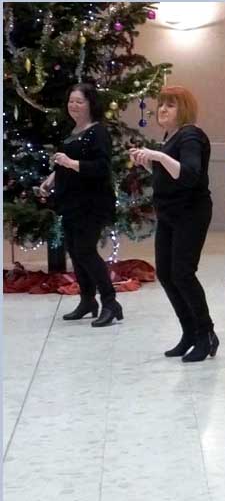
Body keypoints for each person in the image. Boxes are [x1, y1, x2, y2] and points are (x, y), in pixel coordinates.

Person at [129, 86, 217, 361]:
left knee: (183, 273)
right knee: (166, 274)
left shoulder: (191, 135)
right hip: (169, 213)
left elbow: (188, 174)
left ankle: (206, 334)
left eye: (171, 105)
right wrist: (147, 162)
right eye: (161, 105)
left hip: (190, 212)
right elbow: (168, 175)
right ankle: (190, 332)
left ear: (184, 109)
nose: (162, 110)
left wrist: (157, 156)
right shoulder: (172, 137)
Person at [39, 83, 122, 327]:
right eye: (71, 101)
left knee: (85, 250)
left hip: (92, 202)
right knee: (75, 251)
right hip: (71, 201)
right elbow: (64, 163)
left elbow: (101, 167)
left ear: (90, 104)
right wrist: (51, 179)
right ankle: (87, 300)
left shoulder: (98, 132)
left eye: (79, 101)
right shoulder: (72, 131)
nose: (73, 105)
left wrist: (70, 163)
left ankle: (110, 302)